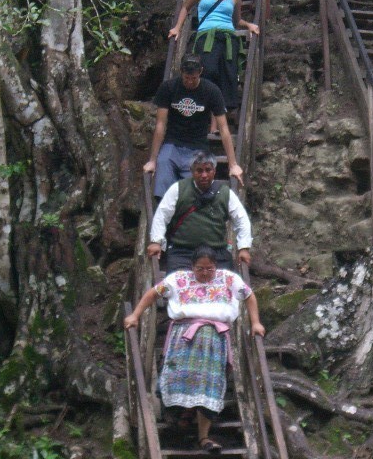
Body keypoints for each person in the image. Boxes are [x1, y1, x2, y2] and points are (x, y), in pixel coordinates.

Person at [124, 245, 265, 454]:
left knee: (209, 385)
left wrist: (255, 322)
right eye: (200, 269)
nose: (205, 273)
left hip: (214, 340)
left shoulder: (228, 278)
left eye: (210, 269)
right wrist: (135, 315)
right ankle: (182, 415)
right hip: (183, 337)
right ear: (192, 267)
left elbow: (249, 296)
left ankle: (204, 437)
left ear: (216, 266)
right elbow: (153, 294)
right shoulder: (179, 279)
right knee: (176, 377)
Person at [167, 0, 259, 118]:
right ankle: (205, 107)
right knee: (208, 70)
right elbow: (185, 8)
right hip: (206, 36)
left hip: (228, 38)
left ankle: (220, 113)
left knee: (228, 73)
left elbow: (237, 21)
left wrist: (249, 25)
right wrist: (177, 28)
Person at [143, 54, 244, 199]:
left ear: (200, 72)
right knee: (163, 166)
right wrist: (152, 160)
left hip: (197, 146)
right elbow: (160, 125)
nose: (190, 81)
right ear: (181, 73)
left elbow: (223, 129)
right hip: (172, 143)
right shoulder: (169, 87)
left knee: (193, 191)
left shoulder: (211, 91)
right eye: (186, 78)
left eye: (193, 78)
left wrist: (233, 164)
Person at [147, 150, 252, 272]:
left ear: (214, 171)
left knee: (225, 287)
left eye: (208, 170)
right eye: (199, 171)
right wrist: (156, 242)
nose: (204, 175)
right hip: (182, 252)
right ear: (192, 171)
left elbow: (241, 219)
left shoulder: (225, 193)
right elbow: (162, 215)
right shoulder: (178, 189)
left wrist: (243, 248)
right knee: (176, 287)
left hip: (216, 252)